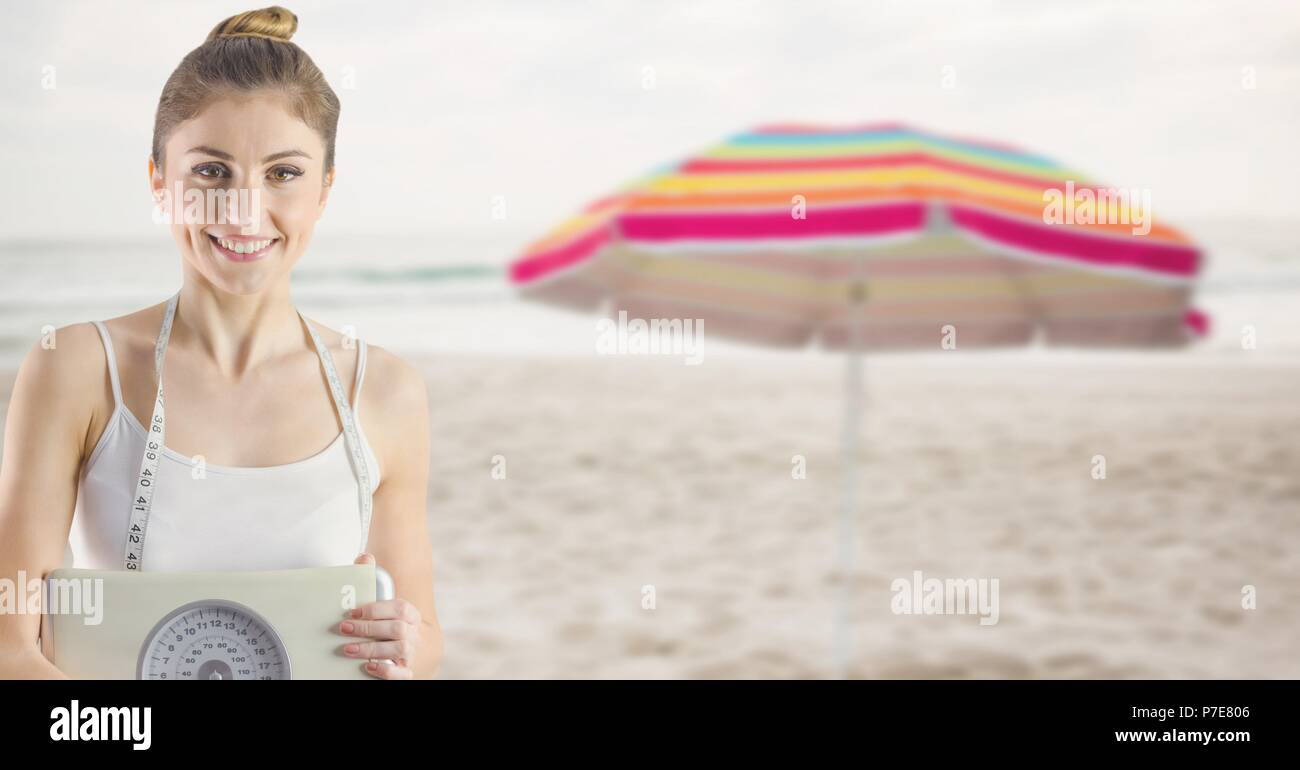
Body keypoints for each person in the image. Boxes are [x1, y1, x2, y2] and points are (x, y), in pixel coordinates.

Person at [0, 6, 442, 679]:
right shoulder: (78, 369)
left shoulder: (382, 392)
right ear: (159, 184)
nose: (241, 209)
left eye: (283, 174)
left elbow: (424, 635)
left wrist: (409, 648)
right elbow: (9, 646)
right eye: (210, 172)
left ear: (324, 190)